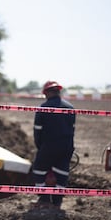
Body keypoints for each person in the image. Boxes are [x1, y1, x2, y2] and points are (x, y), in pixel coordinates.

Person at [31, 81, 76, 209]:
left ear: (46, 93)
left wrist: (41, 148)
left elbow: (37, 132)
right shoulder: (70, 108)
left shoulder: (43, 108)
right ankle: (57, 202)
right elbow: (72, 130)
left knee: (39, 169)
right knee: (62, 173)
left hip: (49, 146)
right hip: (66, 146)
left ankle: (44, 199)